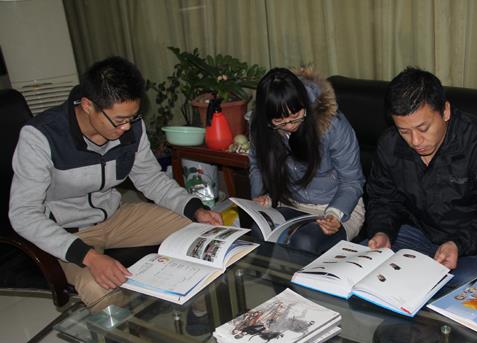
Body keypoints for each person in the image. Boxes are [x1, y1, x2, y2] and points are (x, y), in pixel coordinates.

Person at [9, 56, 222, 310]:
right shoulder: (42, 136)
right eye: (119, 120)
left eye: (132, 117)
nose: (126, 127)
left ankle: (200, 317)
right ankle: (132, 336)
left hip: (116, 216)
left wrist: (195, 209)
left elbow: (151, 179)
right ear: (88, 105)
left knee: (204, 236)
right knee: (99, 288)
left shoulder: (131, 126)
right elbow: (23, 213)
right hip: (68, 232)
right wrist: (88, 256)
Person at [365, 67, 477, 285]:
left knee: (465, 282)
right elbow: (383, 199)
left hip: (474, 242)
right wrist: (382, 231)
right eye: (404, 131)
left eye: (423, 128)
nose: (415, 141)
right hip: (418, 233)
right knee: (366, 264)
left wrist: (458, 244)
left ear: (445, 111)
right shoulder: (390, 144)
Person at [248, 67, 365, 255]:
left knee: (305, 242)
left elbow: (352, 180)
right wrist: (260, 195)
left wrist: (334, 214)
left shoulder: (331, 124)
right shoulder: (261, 126)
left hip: (336, 206)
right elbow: (257, 165)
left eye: (295, 117)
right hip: (290, 203)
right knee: (259, 233)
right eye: (280, 122)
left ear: (304, 104)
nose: (290, 126)